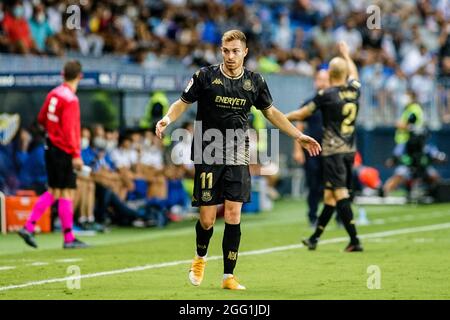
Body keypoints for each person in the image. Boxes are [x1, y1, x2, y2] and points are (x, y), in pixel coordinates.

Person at [155, 30, 321, 290]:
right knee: (208, 219)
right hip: (208, 151)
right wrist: (167, 118)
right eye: (225, 50)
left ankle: (228, 276)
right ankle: (200, 257)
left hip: (237, 152)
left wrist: (298, 135)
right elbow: (182, 102)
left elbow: (271, 112)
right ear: (221, 51)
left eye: (235, 51)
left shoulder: (255, 81)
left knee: (233, 214)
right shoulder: (205, 76)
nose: (230, 56)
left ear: (245, 52)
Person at [286, 41, 363, 252]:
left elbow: (302, 114)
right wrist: (347, 54)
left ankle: (355, 240)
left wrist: (282, 117)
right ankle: (315, 238)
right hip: (349, 151)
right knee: (330, 196)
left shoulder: (326, 95)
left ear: (330, 75)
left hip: (333, 153)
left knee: (340, 195)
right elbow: (355, 72)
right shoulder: (354, 89)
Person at [18, 60, 88, 249]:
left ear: (62, 74)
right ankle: (66, 238)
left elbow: (41, 119)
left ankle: (33, 227)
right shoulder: (71, 99)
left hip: (50, 148)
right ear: (79, 76)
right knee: (65, 192)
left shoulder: (54, 94)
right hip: (64, 150)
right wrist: (76, 154)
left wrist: (52, 133)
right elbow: (70, 129)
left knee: (56, 191)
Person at [292, 69, 329, 227]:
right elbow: (299, 127)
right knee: (313, 184)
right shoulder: (308, 103)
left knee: (331, 185)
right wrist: (298, 150)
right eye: (319, 79)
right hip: (312, 151)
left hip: (331, 150)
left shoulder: (333, 101)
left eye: (324, 79)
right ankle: (312, 216)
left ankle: (338, 217)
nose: (321, 82)